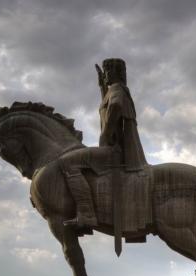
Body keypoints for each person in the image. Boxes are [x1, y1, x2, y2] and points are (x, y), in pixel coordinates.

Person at [60, 58, 147, 228]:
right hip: (114, 148)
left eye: (108, 72)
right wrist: (102, 87)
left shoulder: (117, 89)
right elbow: (108, 105)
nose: (106, 76)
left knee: (68, 162)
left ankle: (86, 214)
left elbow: (115, 106)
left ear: (116, 73)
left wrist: (105, 134)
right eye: (105, 73)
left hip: (114, 150)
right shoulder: (115, 90)